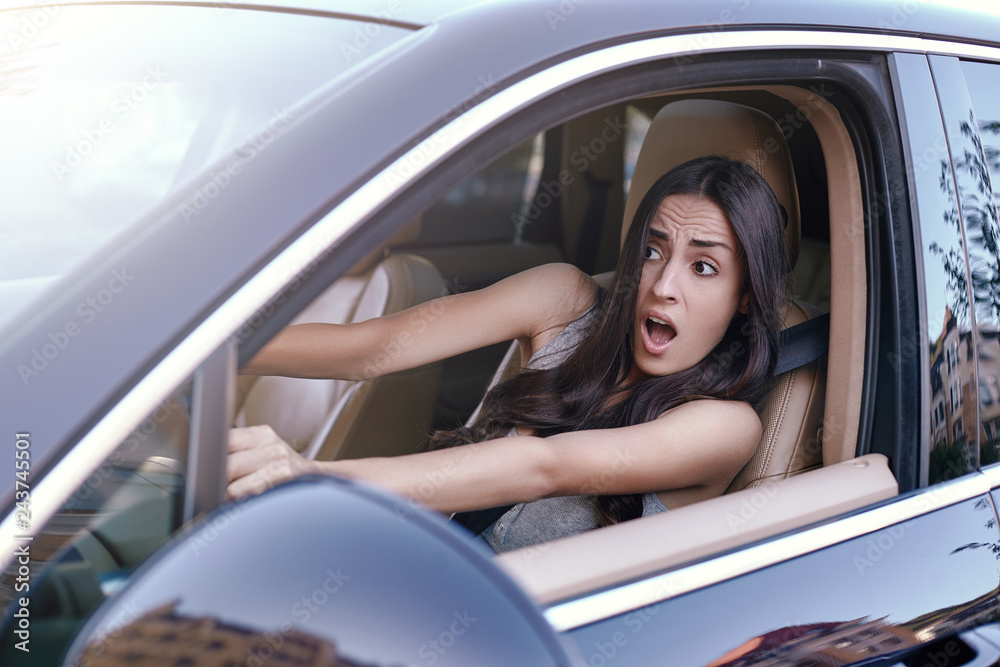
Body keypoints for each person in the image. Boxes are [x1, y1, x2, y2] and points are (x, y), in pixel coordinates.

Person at [226, 155, 788, 553]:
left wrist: (317, 477)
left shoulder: (723, 427)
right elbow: (371, 346)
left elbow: (545, 467)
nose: (664, 285)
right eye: (651, 250)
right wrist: (217, 353)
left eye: (704, 267)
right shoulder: (564, 300)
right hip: (413, 569)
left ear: (744, 297)